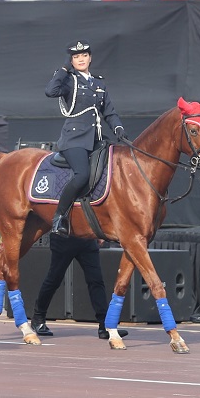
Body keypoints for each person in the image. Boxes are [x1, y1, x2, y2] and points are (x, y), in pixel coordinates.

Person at [45, 41, 126, 237]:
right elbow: (50, 91)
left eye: (84, 55)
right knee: (82, 175)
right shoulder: (68, 80)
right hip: (74, 139)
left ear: (90, 58)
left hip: (96, 139)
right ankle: (59, 217)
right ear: (71, 61)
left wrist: (118, 127)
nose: (80, 59)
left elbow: (109, 111)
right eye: (75, 57)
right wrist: (64, 68)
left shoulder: (98, 83)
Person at [30, 235, 129, 339]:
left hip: (87, 239)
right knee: (54, 279)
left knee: (96, 281)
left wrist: (99, 234)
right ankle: (38, 317)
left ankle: (104, 326)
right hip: (64, 238)